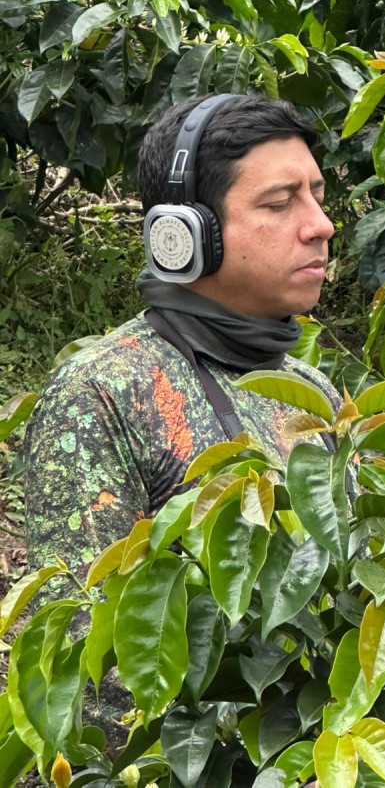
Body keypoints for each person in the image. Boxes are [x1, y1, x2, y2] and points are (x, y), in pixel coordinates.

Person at [24, 93, 338, 579]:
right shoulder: (104, 394)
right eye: (280, 203)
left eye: (317, 198)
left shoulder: (314, 393)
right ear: (186, 233)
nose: (321, 226)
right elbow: (82, 612)